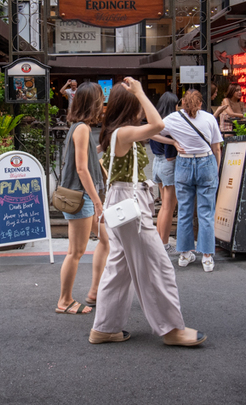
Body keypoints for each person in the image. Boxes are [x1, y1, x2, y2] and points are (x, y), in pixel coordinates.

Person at [88, 77, 206, 346]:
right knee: (157, 265)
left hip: (121, 201)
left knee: (120, 267)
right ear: (131, 106)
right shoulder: (124, 133)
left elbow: (153, 130)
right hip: (129, 202)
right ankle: (171, 329)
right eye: (138, 105)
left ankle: (105, 328)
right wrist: (141, 92)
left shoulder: (118, 131)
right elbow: (158, 124)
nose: (142, 109)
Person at [55, 82, 109, 315]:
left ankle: (96, 291)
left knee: (107, 241)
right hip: (82, 197)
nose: (103, 103)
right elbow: (81, 169)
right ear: (93, 103)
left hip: (84, 196)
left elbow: (84, 157)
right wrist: (97, 202)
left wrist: (100, 150)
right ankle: (64, 300)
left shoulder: (79, 127)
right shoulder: (82, 129)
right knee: (75, 252)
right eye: (100, 99)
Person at [161, 89, 223, 273]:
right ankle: (206, 257)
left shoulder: (173, 118)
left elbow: (152, 131)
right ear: (200, 103)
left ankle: (184, 254)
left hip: (184, 163)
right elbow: (216, 148)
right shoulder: (209, 118)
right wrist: (216, 170)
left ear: (182, 103)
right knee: (205, 212)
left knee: (184, 211)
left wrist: (172, 142)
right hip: (206, 162)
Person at [148, 92, 182, 254]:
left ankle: (160, 242)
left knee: (164, 206)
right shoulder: (171, 122)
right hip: (168, 165)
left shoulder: (155, 120)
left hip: (157, 163)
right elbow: (170, 156)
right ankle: (164, 243)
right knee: (169, 206)